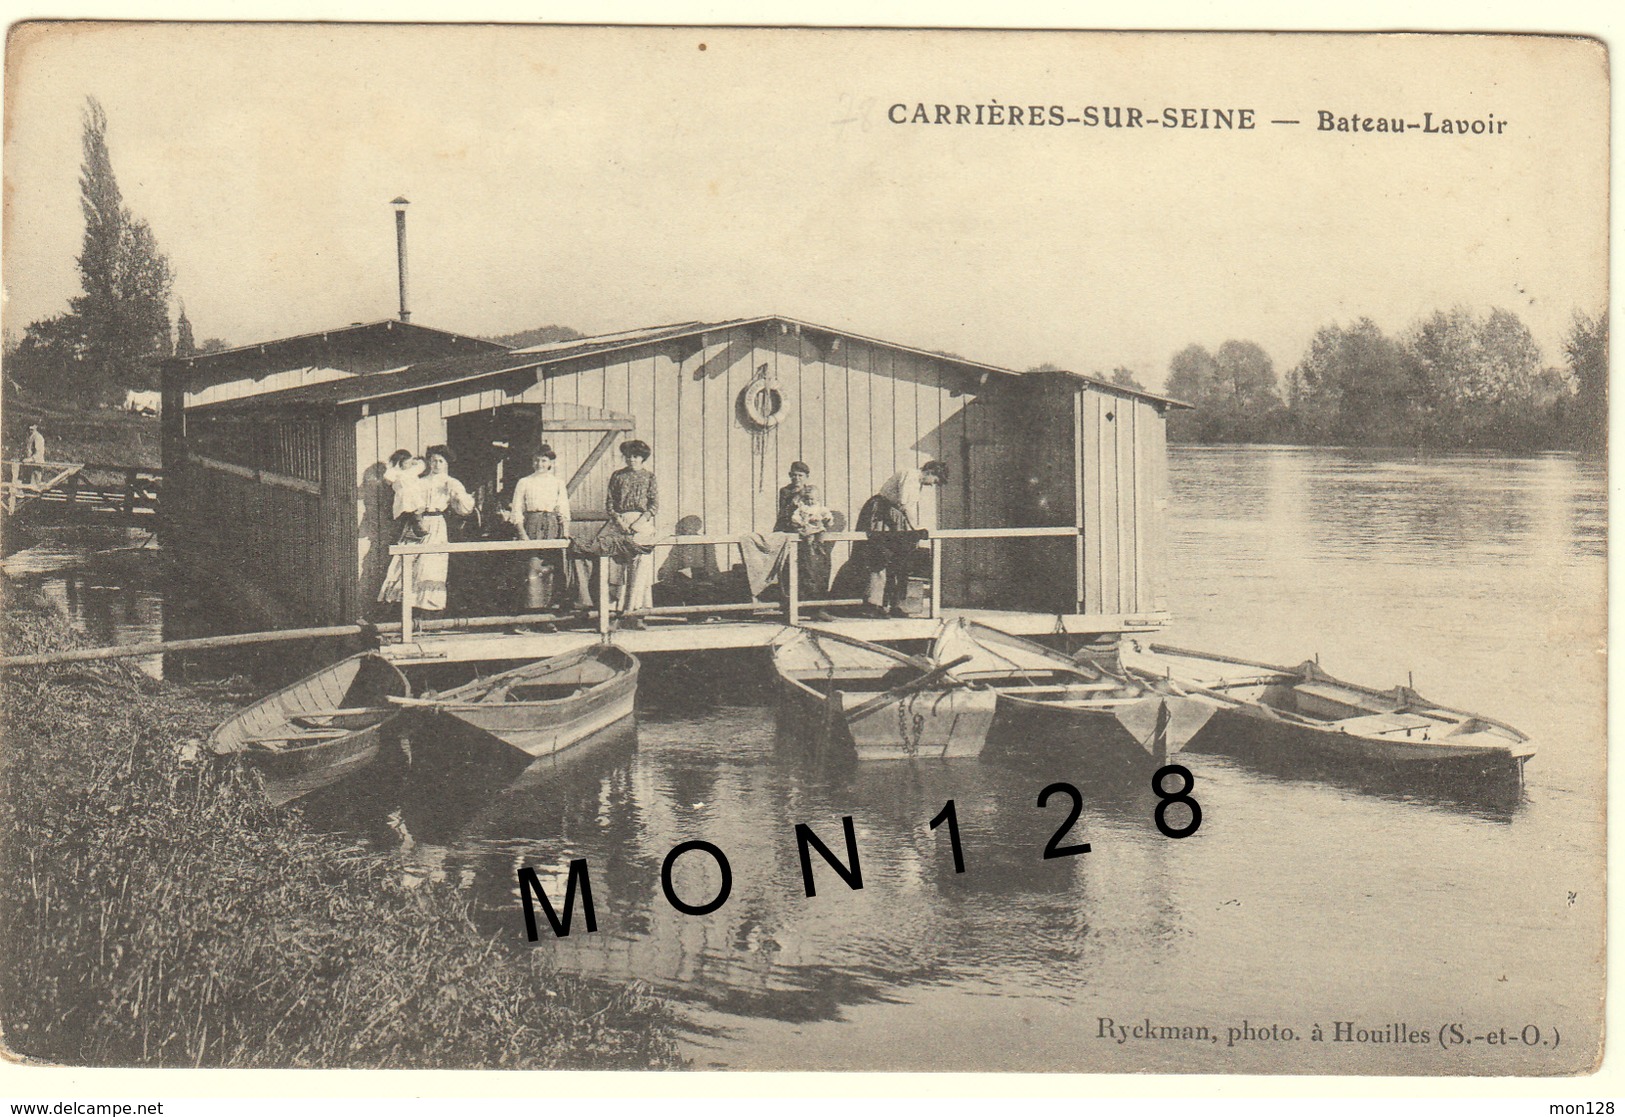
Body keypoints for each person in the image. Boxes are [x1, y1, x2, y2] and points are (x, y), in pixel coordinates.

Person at [377, 444, 474, 613]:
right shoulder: (419, 481)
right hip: (415, 522)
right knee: (406, 563)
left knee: (430, 567)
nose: (436, 464)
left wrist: (458, 496)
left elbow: (465, 509)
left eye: (440, 461)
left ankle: (428, 613)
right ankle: (403, 612)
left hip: (436, 525)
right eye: (433, 460)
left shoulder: (450, 482)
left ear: (446, 463)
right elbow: (404, 496)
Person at [852, 459, 948, 618]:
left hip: (895, 518)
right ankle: (873, 604)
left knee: (898, 561)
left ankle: (892, 604)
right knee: (880, 558)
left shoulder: (917, 483)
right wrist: (915, 527)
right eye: (935, 481)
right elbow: (904, 504)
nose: (932, 485)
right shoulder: (910, 474)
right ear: (930, 472)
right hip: (881, 515)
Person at [507, 444, 572, 630]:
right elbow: (517, 509)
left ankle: (545, 618)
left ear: (551, 462)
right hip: (532, 525)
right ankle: (527, 618)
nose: (539, 463)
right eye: (536, 459)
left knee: (549, 571)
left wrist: (564, 530)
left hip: (551, 525)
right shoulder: (524, 482)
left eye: (544, 460)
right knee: (531, 570)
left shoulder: (557, 482)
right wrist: (522, 533)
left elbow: (563, 508)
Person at [603, 440, 658, 630]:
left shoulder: (649, 477)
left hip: (641, 524)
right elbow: (610, 503)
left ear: (642, 458)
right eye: (628, 456)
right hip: (620, 524)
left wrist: (639, 523)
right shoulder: (617, 476)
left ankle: (637, 614)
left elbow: (653, 505)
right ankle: (615, 614)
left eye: (635, 456)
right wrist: (620, 522)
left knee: (640, 567)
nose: (631, 459)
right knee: (618, 568)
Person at [774, 461, 812, 533]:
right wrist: (798, 495)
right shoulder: (785, 491)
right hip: (787, 525)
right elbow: (784, 512)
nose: (796, 478)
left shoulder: (810, 492)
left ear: (807, 476)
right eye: (794, 475)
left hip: (805, 525)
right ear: (790, 475)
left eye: (800, 475)